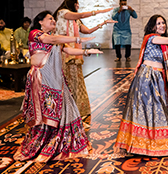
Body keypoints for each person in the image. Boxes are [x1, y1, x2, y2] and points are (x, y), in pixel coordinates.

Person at [14, 11, 102, 162]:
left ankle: (63, 142)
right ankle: (44, 142)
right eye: (50, 18)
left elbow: (67, 49)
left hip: (57, 81)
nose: (53, 20)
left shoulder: (55, 38)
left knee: (68, 109)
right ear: (40, 22)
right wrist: (77, 38)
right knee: (45, 112)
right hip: (42, 80)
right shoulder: (35, 34)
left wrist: (87, 51)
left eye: (54, 18)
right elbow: (52, 39)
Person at [114, 15, 168, 156]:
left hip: (158, 78)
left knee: (158, 110)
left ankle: (154, 144)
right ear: (153, 26)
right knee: (144, 110)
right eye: (158, 23)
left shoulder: (165, 45)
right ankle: (138, 144)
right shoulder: (151, 38)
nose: (162, 25)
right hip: (147, 77)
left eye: (163, 23)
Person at [54, 0, 115, 118]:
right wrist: (98, 12)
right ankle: (64, 109)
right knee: (66, 78)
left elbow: (87, 31)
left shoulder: (75, 20)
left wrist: (102, 24)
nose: (78, 6)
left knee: (77, 79)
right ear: (72, 4)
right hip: (64, 50)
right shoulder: (63, 13)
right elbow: (80, 15)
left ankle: (77, 109)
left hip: (75, 52)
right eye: (77, 4)